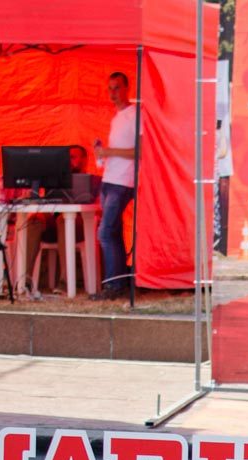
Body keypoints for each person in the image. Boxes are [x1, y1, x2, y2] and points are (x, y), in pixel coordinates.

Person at [93, 71, 139, 300]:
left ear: (127, 88)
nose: (113, 93)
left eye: (117, 87)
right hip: (109, 179)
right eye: (110, 88)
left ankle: (113, 284)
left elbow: (139, 151)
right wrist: (102, 153)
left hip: (123, 181)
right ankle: (118, 282)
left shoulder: (136, 114)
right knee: (113, 232)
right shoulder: (116, 117)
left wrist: (109, 152)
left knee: (105, 232)